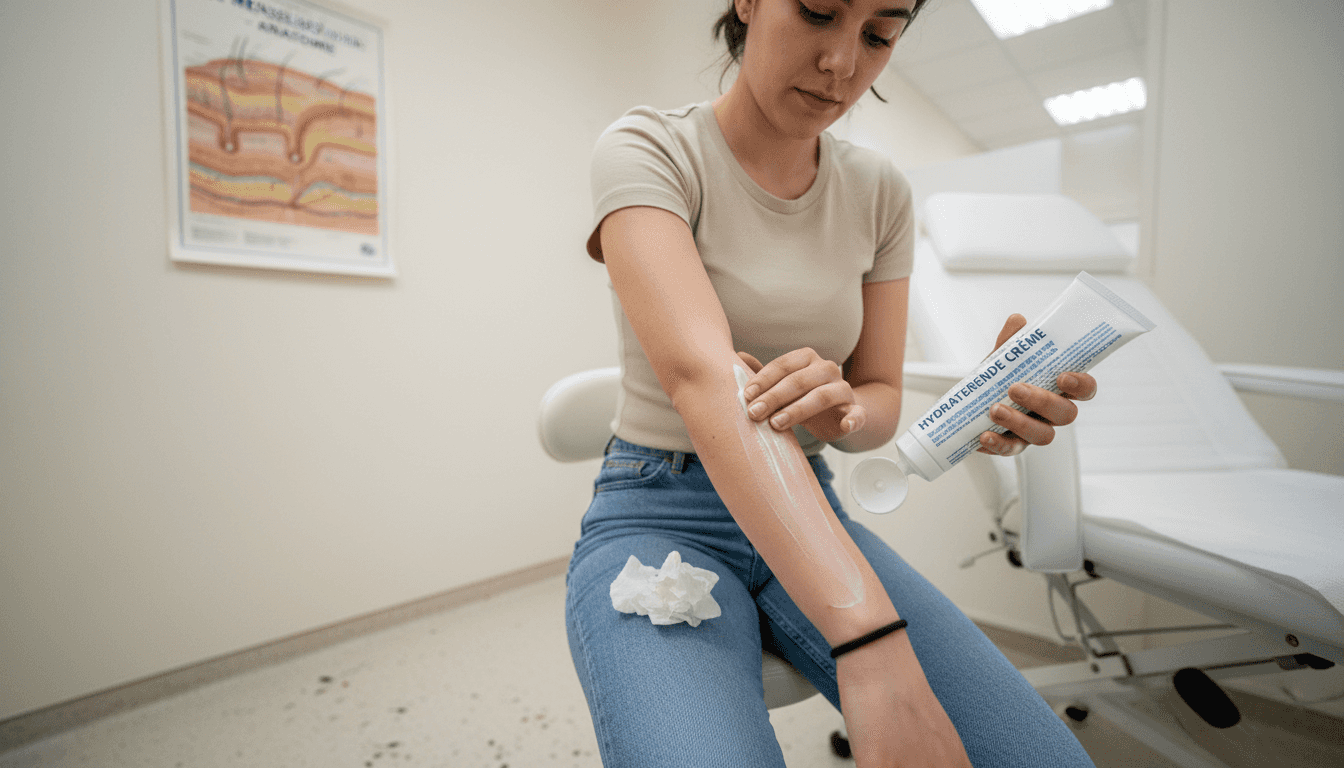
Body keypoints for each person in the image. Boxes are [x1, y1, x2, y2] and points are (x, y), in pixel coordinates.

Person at [565, 1, 1099, 765]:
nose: (844, 63)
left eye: (879, 35)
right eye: (819, 12)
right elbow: (702, 378)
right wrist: (872, 642)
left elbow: (878, 399)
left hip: (812, 504)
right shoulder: (649, 148)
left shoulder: (880, 191)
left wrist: (846, 406)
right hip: (662, 511)